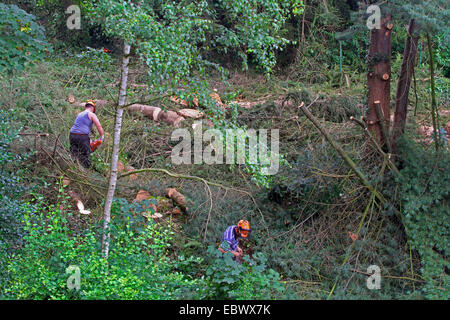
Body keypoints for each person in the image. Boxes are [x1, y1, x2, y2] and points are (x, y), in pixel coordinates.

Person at [69, 100, 104, 169]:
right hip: (82, 136)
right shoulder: (92, 114)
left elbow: (81, 126)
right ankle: (85, 171)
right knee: (85, 154)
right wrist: (102, 136)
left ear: (86, 107)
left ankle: (73, 169)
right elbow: (99, 126)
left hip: (72, 135)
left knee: (74, 153)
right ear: (93, 108)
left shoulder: (79, 114)